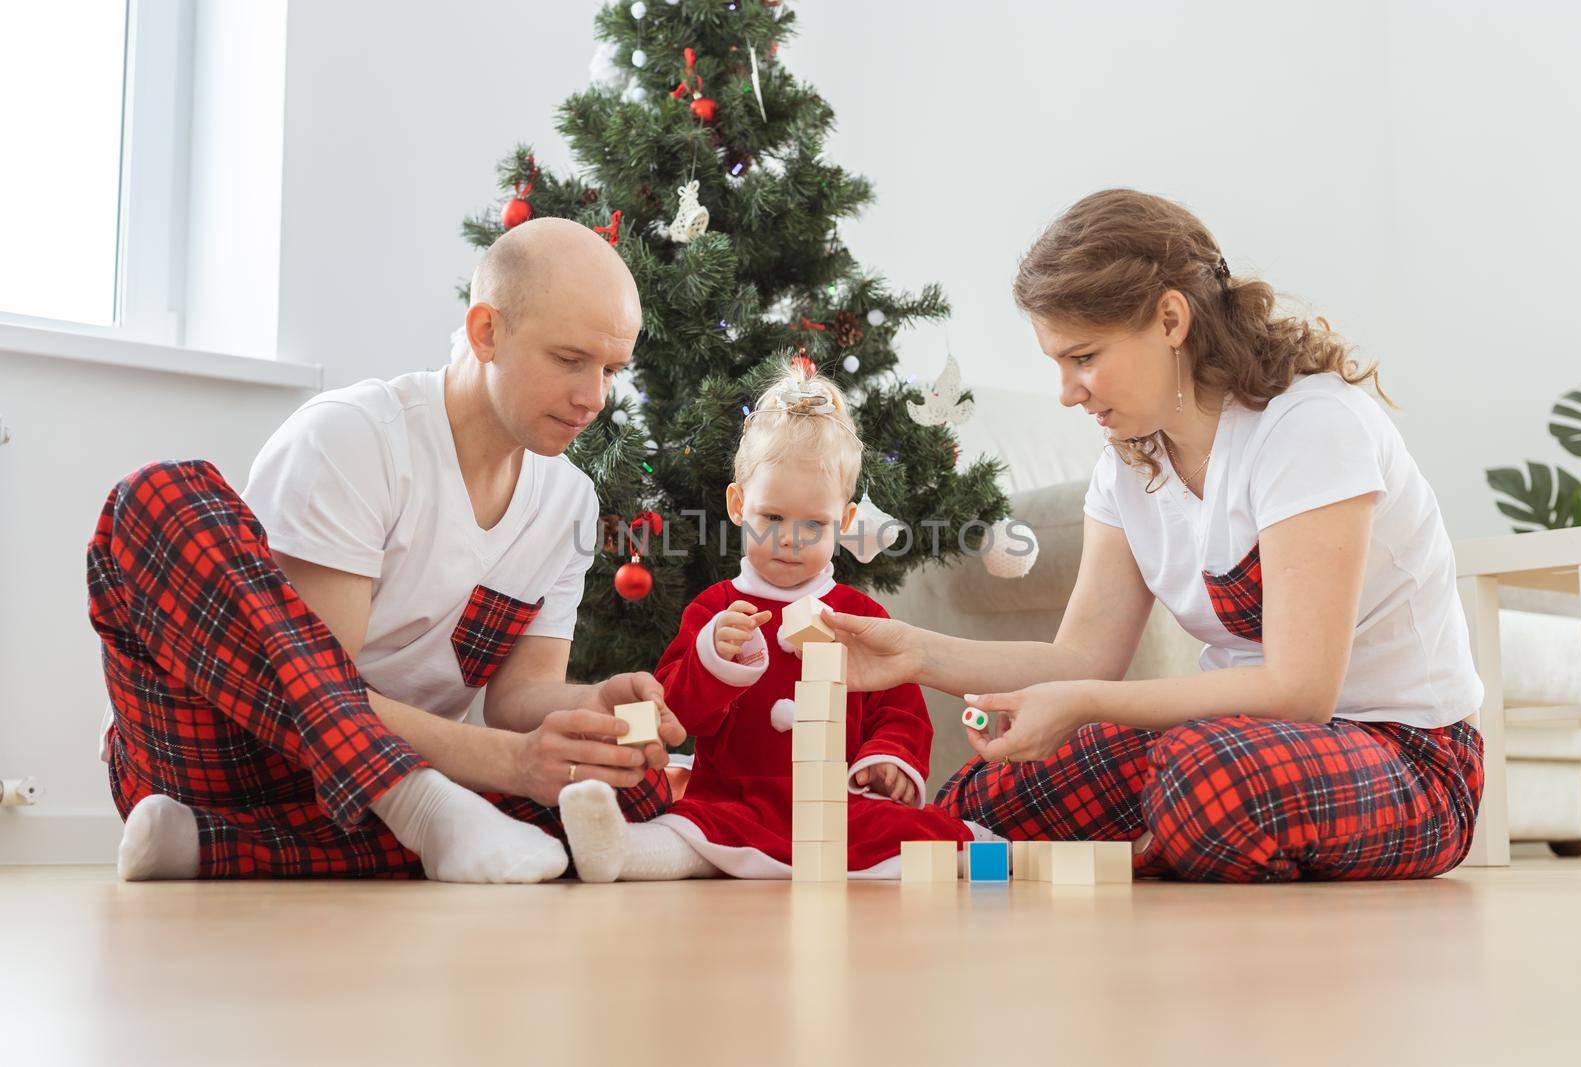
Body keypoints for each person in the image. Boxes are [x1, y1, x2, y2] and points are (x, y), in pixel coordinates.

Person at [825, 188, 1486, 883]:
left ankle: (1154, 848)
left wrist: (1084, 706)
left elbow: (1300, 692)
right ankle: (1159, 851)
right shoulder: (1129, 464)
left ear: (1171, 319)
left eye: (1083, 356)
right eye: (1057, 363)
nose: (1067, 391)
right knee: (977, 802)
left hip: (1409, 758)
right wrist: (912, 653)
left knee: (1201, 786)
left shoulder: (1311, 427)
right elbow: (1081, 657)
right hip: (1232, 744)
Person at [90, 217, 686, 882]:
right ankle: (422, 807)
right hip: (231, 745)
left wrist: (587, 706)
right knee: (156, 496)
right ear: (487, 331)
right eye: (570, 360)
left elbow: (517, 695)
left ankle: (211, 844)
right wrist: (512, 764)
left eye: (610, 369)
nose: (593, 398)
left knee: (625, 788)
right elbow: (311, 690)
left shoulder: (569, 499)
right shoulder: (353, 438)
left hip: (364, 795)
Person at [556, 366, 982, 882]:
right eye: (772, 518)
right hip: (735, 794)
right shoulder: (715, 608)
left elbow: (902, 712)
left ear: (844, 523)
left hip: (836, 803)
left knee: (922, 833)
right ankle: (618, 850)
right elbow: (671, 715)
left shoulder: (861, 615)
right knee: (693, 829)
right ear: (739, 506)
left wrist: (886, 760)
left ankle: (990, 851)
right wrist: (712, 657)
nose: (790, 540)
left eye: (814, 525)